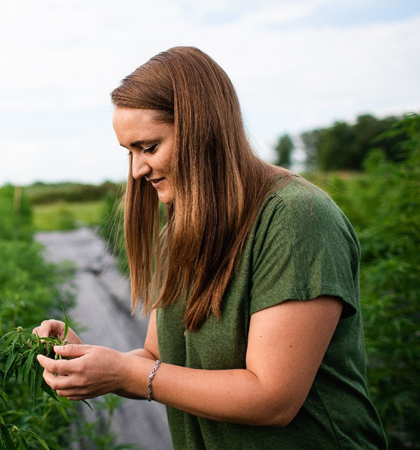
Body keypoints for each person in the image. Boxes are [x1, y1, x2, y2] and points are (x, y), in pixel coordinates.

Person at [33, 47, 387, 449]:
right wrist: (89, 361)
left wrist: (124, 374)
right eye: (129, 152)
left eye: (148, 147)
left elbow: (272, 399)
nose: (137, 170)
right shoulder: (183, 229)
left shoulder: (295, 218)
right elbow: (154, 360)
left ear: (204, 129)